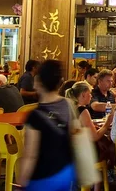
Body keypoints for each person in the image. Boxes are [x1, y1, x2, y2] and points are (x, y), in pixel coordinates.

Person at [18, 60, 74, 190]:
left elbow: (31, 155)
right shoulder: (68, 104)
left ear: (38, 82)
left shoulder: (35, 116)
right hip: (66, 172)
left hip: (43, 177)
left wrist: (21, 181)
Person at [65, 81, 115, 180]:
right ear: (83, 94)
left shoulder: (68, 108)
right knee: (111, 147)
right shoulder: (83, 110)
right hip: (83, 154)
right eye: (89, 94)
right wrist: (107, 123)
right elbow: (94, 137)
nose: (91, 96)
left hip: (70, 150)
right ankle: (107, 174)